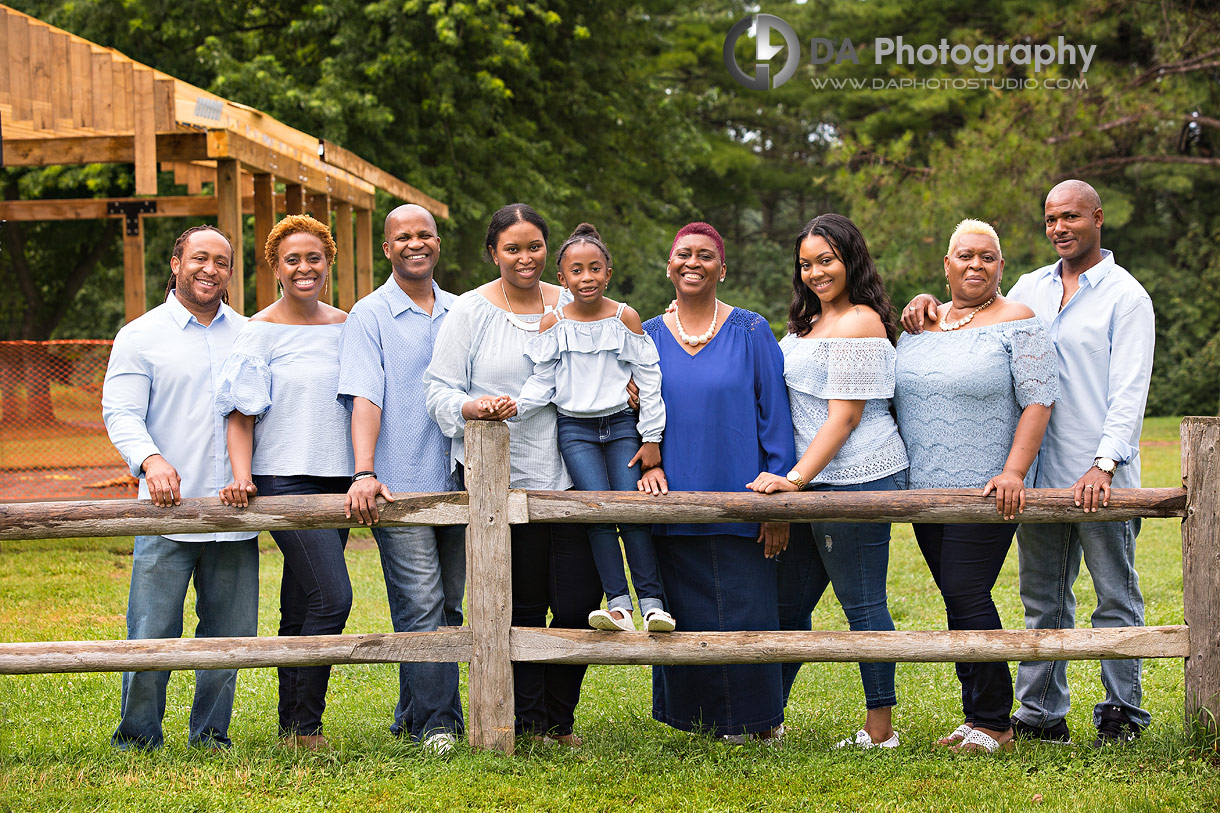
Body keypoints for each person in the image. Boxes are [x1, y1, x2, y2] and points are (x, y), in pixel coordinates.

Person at [904, 181, 1156, 746]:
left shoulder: (1126, 296)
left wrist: (1105, 463)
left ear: (1097, 218)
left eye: (1070, 217)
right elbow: (975, 313)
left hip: (1097, 476)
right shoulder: (1031, 287)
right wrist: (926, 303)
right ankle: (1041, 715)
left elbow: (1129, 391)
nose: (1060, 228)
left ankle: (1122, 712)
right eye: (1050, 220)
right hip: (1036, 477)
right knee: (1042, 599)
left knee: (1114, 597)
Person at [425, 204, 602, 746]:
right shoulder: (471, 313)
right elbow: (437, 391)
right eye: (512, 248)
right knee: (519, 604)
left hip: (574, 476)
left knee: (577, 601)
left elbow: (611, 364)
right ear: (493, 252)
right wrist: (475, 409)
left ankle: (559, 718)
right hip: (501, 480)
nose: (525, 258)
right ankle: (528, 722)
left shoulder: (575, 303)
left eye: (534, 247)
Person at [893, 219, 1057, 753]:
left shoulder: (1020, 321)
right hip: (925, 489)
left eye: (987, 257)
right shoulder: (920, 323)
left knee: (966, 589)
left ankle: (996, 724)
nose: (975, 265)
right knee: (956, 596)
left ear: (1001, 267)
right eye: (965, 255)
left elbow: (1039, 400)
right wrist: (922, 304)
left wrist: (1013, 471)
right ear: (946, 265)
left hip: (988, 489)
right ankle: (976, 717)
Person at [746, 213, 908, 749]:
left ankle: (879, 730)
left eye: (827, 260)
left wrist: (791, 479)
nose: (816, 272)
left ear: (851, 259)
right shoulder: (807, 324)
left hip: (857, 477)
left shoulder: (859, 321)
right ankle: (765, 719)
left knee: (861, 601)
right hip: (812, 481)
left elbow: (847, 416)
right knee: (787, 606)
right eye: (806, 264)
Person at [102, 225, 258, 751]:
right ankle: (138, 735)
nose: (209, 269)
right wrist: (150, 460)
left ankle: (212, 735)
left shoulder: (249, 333)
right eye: (199, 258)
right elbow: (121, 412)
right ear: (176, 263)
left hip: (234, 514)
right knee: (151, 630)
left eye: (221, 261)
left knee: (229, 636)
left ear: (230, 272)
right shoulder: (140, 335)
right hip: (165, 512)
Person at [641, 222, 795, 743]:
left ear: (722, 268)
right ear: (668, 265)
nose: (693, 262)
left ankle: (756, 723)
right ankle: (697, 721)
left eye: (706, 255)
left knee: (747, 609)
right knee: (685, 613)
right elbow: (627, 416)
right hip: (671, 500)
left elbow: (776, 416)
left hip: (743, 500)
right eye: (683, 254)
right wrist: (648, 465)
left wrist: (776, 505)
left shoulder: (751, 331)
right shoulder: (645, 335)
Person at [217, 214, 353, 751]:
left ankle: (295, 728)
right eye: (292, 259)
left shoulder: (348, 325)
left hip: (340, 479)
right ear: (276, 266)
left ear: (328, 263)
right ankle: (305, 724)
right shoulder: (259, 331)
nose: (304, 267)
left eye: (313, 257)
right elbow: (238, 413)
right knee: (333, 597)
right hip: (284, 478)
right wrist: (241, 476)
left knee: (302, 602)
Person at [336, 203, 465, 755]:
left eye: (425, 234)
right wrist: (365, 471)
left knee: (458, 605)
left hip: (462, 481)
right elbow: (364, 395)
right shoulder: (369, 315)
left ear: (438, 242)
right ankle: (440, 724)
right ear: (386, 248)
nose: (415, 244)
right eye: (403, 237)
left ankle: (414, 714)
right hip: (400, 484)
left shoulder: (465, 310)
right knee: (420, 604)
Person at [514, 222, 674, 634]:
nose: (587, 278)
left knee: (630, 510)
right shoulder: (553, 323)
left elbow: (650, 378)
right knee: (598, 514)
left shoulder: (625, 317)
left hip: (621, 426)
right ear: (562, 278)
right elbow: (543, 382)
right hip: (576, 431)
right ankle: (619, 606)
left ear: (608, 272)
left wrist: (651, 436)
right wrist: (512, 407)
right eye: (577, 271)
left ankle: (653, 604)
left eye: (595, 268)